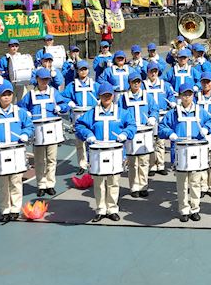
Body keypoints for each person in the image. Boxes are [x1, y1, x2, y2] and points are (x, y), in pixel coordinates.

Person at [75, 82, 135, 222]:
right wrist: (88, 134)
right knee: (99, 182)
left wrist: (125, 133)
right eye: (104, 95)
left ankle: (112, 208)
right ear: (99, 96)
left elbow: (131, 124)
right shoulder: (92, 113)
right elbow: (79, 124)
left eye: (109, 95)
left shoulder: (122, 112)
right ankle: (101, 209)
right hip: (98, 153)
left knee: (113, 181)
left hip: (116, 152)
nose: (107, 98)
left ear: (113, 96)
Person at [0, 82, 35, 224]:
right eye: (3, 95)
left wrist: (25, 134)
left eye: (9, 94)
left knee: (16, 181)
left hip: (16, 150)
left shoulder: (20, 112)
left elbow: (29, 125)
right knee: (2, 183)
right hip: (0, 153)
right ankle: (4, 209)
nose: (7, 97)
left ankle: (15, 209)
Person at [158, 84, 211, 223]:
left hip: (196, 151)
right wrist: (169, 133)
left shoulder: (200, 111)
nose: (187, 97)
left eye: (189, 94)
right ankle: (184, 209)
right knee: (182, 184)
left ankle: (195, 208)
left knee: (195, 182)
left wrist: (207, 129)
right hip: (180, 153)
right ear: (179, 96)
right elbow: (162, 126)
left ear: (193, 96)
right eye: (184, 94)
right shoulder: (173, 112)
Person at [20, 68, 68, 198]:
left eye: (47, 79)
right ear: (37, 79)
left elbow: (65, 104)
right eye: (42, 79)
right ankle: (41, 184)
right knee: (39, 160)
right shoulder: (30, 95)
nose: (44, 81)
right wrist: (26, 113)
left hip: (52, 131)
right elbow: (21, 107)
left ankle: (50, 184)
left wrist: (60, 107)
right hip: (37, 132)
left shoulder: (53, 92)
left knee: (52, 159)